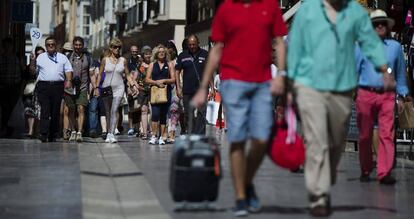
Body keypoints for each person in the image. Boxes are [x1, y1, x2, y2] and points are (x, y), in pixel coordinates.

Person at [287, 0, 395, 216]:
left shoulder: (354, 12)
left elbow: (370, 42)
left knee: (336, 141)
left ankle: (326, 177)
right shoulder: (309, 9)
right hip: (310, 84)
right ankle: (319, 194)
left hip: (342, 86)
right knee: (316, 139)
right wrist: (290, 80)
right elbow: (295, 43)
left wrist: (384, 68)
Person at [192, 0, 287, 216]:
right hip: (233, 81)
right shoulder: (226, 8)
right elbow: (217, 49)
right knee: (237, 138)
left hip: (262, 81)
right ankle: (241, 197)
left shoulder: (270, 5)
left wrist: (281, 75)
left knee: (262, 138)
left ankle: (246, 181)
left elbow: (279, 42)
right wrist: (203, 86)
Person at [356, 9, 409, 185]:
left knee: (386, 133)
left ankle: (384, 171)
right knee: (364, 135)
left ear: (387, 26)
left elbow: (400, 73)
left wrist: (401, 96)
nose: (379, 25)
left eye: (382, 22)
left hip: (387, 95)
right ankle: (365, 167)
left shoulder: (394, 48)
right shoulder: (361, 46)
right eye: (375, 23)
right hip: (365, 93)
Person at [29, 36, 73, 142]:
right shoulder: (40, 57)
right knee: (45, 110)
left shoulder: (62, 57)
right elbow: (33, 72)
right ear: (46, 46)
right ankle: (43, 133)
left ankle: (53, 133)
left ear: (56, 45)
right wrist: (32, 61)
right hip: (44, 86)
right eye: (48, 44)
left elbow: (68, 70)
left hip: (57, 86)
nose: (50, 46)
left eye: (52, 44)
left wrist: (69, 81)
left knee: (55, 111)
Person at [95, 38, 138, 143]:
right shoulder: (105, 60)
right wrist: (96, 87)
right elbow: (100, 74)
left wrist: (133, 85)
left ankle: (111, 133)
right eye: (115, 47)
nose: (117, 49)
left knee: (114, 110)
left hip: (119, 88)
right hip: (106, 88)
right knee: (108, 111)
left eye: (119, 47)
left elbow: (127, 74)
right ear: (111, 48)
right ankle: (109, 131)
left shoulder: (123, 60)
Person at [175, 35, 210, 135]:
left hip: (201, 89)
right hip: (187, 90)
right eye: (189, 44)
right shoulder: (183, 55)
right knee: (188, 114)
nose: (191, 46)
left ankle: (200, 135)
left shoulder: (205, 54)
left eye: (193, 44)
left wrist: (211, 87)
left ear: (198, 43)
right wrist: (178, 87)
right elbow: (177, 71)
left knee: (202, 113)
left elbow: (208, 71)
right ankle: (191, 133)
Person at [65, 36, 94, 142]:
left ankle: (79, 132)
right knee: (71, 110)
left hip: (83, 87)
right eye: (76, 45)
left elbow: (91, 74)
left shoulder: (88, 57)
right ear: (73, 45)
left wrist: (94, 87)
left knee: (81, 108)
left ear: (83, 46)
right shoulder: (68, 57)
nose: (78, 47)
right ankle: (73, 130)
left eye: (80, 45)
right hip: (70, 88)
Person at [145, 44, 176, 145]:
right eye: (159, 52)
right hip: (154, 92)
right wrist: (156, 82)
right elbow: (147, 79)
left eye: (163, 52)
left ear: (165, 53)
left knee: (163, 115)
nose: (161, 53)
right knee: (155, 114)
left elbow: (173, 79)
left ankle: (162, 136)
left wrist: (165, 80)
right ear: (156, 54)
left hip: (166, 93)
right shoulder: (152, 65)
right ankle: (154, 135)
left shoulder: (170, 64)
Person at [0, 37, 23, 137]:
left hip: (14, 87)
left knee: (12, 109)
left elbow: (20, 72)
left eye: (9, 46)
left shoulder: (16, 58)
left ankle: (9, 128)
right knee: (5, 109)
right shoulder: (1, 58)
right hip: (3, 87)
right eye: (6, 46)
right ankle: (5, 127)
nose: (8, 48)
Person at [23, 46, 45, 138]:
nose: (40, 56)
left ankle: (38, 130)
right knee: (30, 111)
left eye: (42, 54)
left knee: (40, 111)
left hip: (42, 90)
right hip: (31, 91)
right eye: (38, 54)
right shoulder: (30, 66)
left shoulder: (47, 65)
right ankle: (31, 130)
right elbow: (28, 75)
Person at [89, 51, 109, 139]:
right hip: (96, 91)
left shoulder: (109, 69)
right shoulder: (96, 68)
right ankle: (93, 129)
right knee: (93, 110)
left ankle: (104, 130)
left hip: (106, 94)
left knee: (104, 112)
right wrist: (94, 88)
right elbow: (92, 77)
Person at [136, 45, 152, 139]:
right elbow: (136, 77)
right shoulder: (140, 66)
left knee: (153, 111)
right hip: (143, 90)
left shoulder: (154, 64)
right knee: (144, 110)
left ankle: (152, 130)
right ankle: (145, 132)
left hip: (153, 89)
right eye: (146, 54)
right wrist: (136, 86)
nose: (148, 56)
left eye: (149, 54)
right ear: (143, 55)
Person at [127, 45, 141, 136]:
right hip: (130, 86)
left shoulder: (140, 61)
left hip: (140, 86)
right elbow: (127, 74)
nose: (134, 53)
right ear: (130, 52)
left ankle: (138, 127)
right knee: (131, 108)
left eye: (136, 51)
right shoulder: (128, 62)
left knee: (139, 107)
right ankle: (131, 127)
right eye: (133, 51)